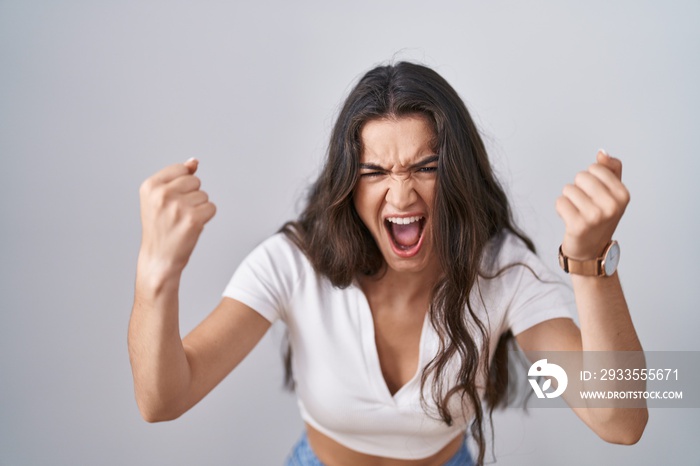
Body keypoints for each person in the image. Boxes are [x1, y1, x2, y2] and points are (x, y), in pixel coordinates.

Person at [128, 62, 647, 466]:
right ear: (348, 186)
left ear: (459, 174)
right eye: (374, 171)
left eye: (426, 166)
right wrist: (158, 273)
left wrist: (590, 260)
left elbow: (619, 420)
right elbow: (163, 400)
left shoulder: (503, 271)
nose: (401, 194)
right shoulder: (293, 263)